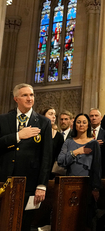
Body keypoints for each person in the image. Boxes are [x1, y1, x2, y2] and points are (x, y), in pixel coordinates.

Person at [0, 83, 53, 231]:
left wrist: (42, 185)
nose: (30, 98)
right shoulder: (3, 119)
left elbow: (46, 156)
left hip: (30, 183)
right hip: (4, 180)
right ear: (16, 98)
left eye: (32, 95)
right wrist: (17, 136)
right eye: (25, 95)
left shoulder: (43, 122)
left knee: (24, 223)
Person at [57, 113, 102, 201]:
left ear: (88, 125)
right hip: (69, 183)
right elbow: (60, 161)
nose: (81, 124)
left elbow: (97, 166)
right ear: (74, 124)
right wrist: (76, 152)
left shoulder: (94, 143)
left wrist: (96, 188)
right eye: (78, 122)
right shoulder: (68, 141)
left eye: (84, 122)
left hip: (87, 185)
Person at [40, 107, 64, 178]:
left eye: (55, 115)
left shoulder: (59, 136)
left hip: (51, 171)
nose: (54, 117)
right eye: (50, 114)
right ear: (43, 116)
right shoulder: (36, 132)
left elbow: (59, 155)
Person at [89, 108, 105, 178]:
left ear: (101, 118)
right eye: (91, 116)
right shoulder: (85, 132)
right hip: (87, 166)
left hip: (102, 167)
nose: (94, 118)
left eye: (96, 115)